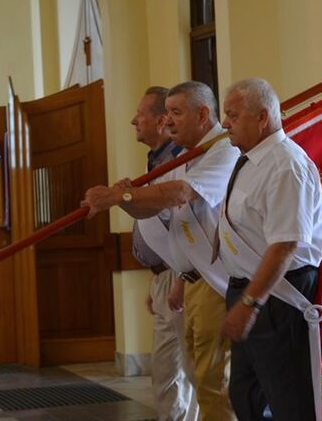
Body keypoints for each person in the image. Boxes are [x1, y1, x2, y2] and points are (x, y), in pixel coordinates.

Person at [83, 81, 239, 421]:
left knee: (215, 382)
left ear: (202, 114)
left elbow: (181, 193)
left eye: (175, 113)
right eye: (166, 113)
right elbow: (157, 211)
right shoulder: (185, 155)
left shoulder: (223, 150)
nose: (168, 122)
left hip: (217, 281)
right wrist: (125, 200)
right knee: (200, 378)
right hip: (193, 279)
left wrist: (118, 197)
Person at [217, 78, 322, 421]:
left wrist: (249, 303)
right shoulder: (250, 160)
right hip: (248, 291)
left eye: (232, 115)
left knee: (288, 399)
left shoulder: (285, 165)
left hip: (277, 298)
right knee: (246, 395)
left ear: (262, 116)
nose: (225, 124)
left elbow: (285, 244)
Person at [128, 86, 198, 421]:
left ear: (160, 120)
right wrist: (154, 278)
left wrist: (181, 278)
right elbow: (158, 226)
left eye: (140, 114)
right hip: (164, 277)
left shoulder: (179, 160)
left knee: (190, 370)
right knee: (165, 374)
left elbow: (185, 222)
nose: (133, 120)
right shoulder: (157, 158)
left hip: (182, 277)